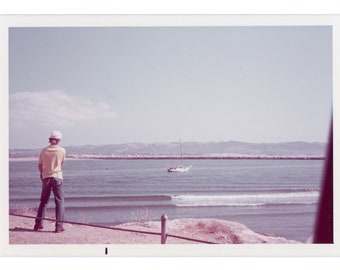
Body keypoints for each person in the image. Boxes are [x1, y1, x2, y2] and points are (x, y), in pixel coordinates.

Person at [34, 131, 66, 233]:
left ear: (50, 139)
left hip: (46, 177)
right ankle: (58, 226)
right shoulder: (62, 150)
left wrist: (42, 175)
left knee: (43, 201)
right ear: (59, 140)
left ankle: (38, 224)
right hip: (57, 177)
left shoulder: (44, 151)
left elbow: (40, 165)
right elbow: (61, 164)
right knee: (59, 202)